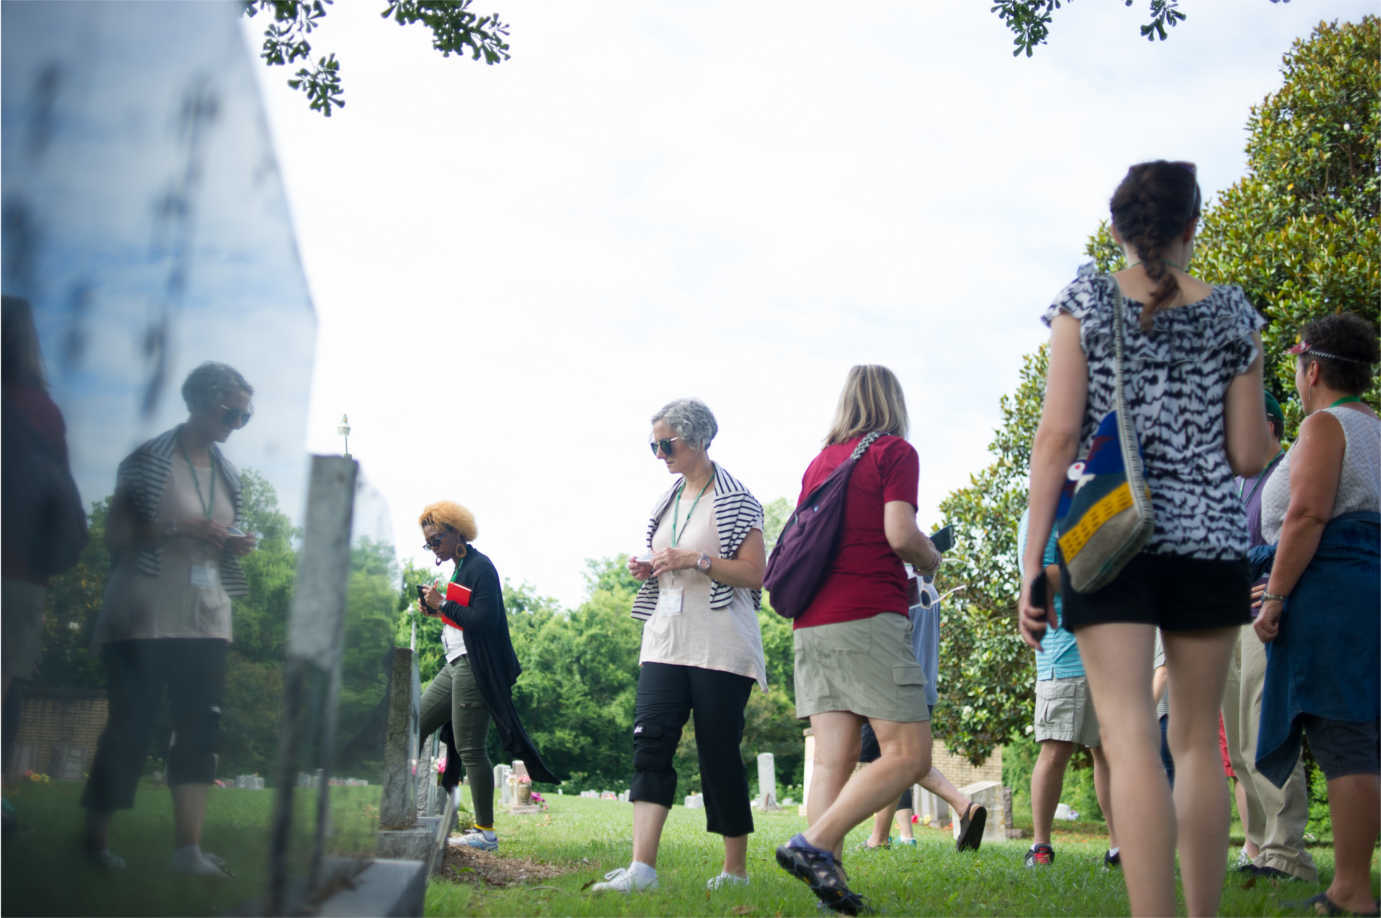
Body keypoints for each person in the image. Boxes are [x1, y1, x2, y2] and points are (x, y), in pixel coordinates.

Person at [1018, 161, 1272, 916]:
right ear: (1194, 224)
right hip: (1210, 544)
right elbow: (1249, 456)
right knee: (1193, 741)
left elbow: (1055, 436)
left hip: (1107, 539)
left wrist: (1033, 562)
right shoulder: (1234, 315)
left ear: (1117, 229)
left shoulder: (1085, 301)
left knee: (1126, 734)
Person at [80, 362, 259, 875]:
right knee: (131, 726)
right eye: (232, 412)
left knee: (200, 727)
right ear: (200, 402)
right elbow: (115, 534)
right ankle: (94, 843)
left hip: (205, 617)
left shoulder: (226, 471)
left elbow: (219, 532)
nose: (238, 423)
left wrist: (233, 543)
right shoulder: (148, 460)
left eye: (246, 417)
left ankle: (188, 852)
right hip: (144, 612)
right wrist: (176, 525)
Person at [774, 365, 939, 915]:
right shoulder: (895, 452)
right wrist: (930, 555)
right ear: (894, 402)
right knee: (910, 754)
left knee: (832, 762)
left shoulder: (821, 461)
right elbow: (898, 533)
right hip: (868, 614)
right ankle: (813, 845)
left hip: (812, 622)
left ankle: (829, 888)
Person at [590, 398, 767, 894]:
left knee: (718, 753)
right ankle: (641, 871)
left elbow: (756, 574)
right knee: (650, 744)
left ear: (696, 439)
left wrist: (697, 558)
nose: (658, 453)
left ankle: (735, 872)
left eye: (665, 444)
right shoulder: (668, 498)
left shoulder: (737, 499)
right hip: (664, 641)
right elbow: (671, 560)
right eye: (653, 445)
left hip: (720, 646)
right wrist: (651, 564)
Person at [1253, 313, 1379, 917]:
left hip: (1332, 595)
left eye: (1299, 367)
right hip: (1368, 591)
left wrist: (1274, 596)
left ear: (1316, 369)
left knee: (1345, 735)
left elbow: (1305, 516)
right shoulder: (1379, 428)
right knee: (1366, 736)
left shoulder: (1327, 426)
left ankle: (1352, 890)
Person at [416, 500, 557, 852]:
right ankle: (408, 808)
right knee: (413, 722)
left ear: (456, 532)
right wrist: (437, 613)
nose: (433, 547)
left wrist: (442, 605)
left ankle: (485, 832)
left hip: (474, 666)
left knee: (470, 748)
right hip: (455, 663)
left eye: (436, 540)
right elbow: (465, 620)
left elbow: (484, 621)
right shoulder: (460, 567)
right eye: (428, 543)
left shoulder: (480, 567)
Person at [1223, 390, 1316, 882]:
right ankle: (1259, 847)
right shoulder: (1235, 483)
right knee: (1238, 745)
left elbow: (1296, 536)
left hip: (1265, 619)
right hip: (1226, 621)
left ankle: (1289, 855)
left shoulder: (1284, 473)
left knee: (1265, 733)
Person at [857, 571, 987, 854]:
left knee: (904, 759)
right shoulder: (929, 588)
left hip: (896, 682)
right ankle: (878, 839)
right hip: (923, 683)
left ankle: (963, 806)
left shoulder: (899, 585)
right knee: (895, 759)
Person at [1017, 510, 1118, 869]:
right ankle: (1040, 846)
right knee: (1055, 751)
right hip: (1064, 654)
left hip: (1105, 655)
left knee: (1106, 752)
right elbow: (1044, 577)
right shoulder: (1042, 514)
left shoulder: (1084, 502)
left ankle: (1118, 847)